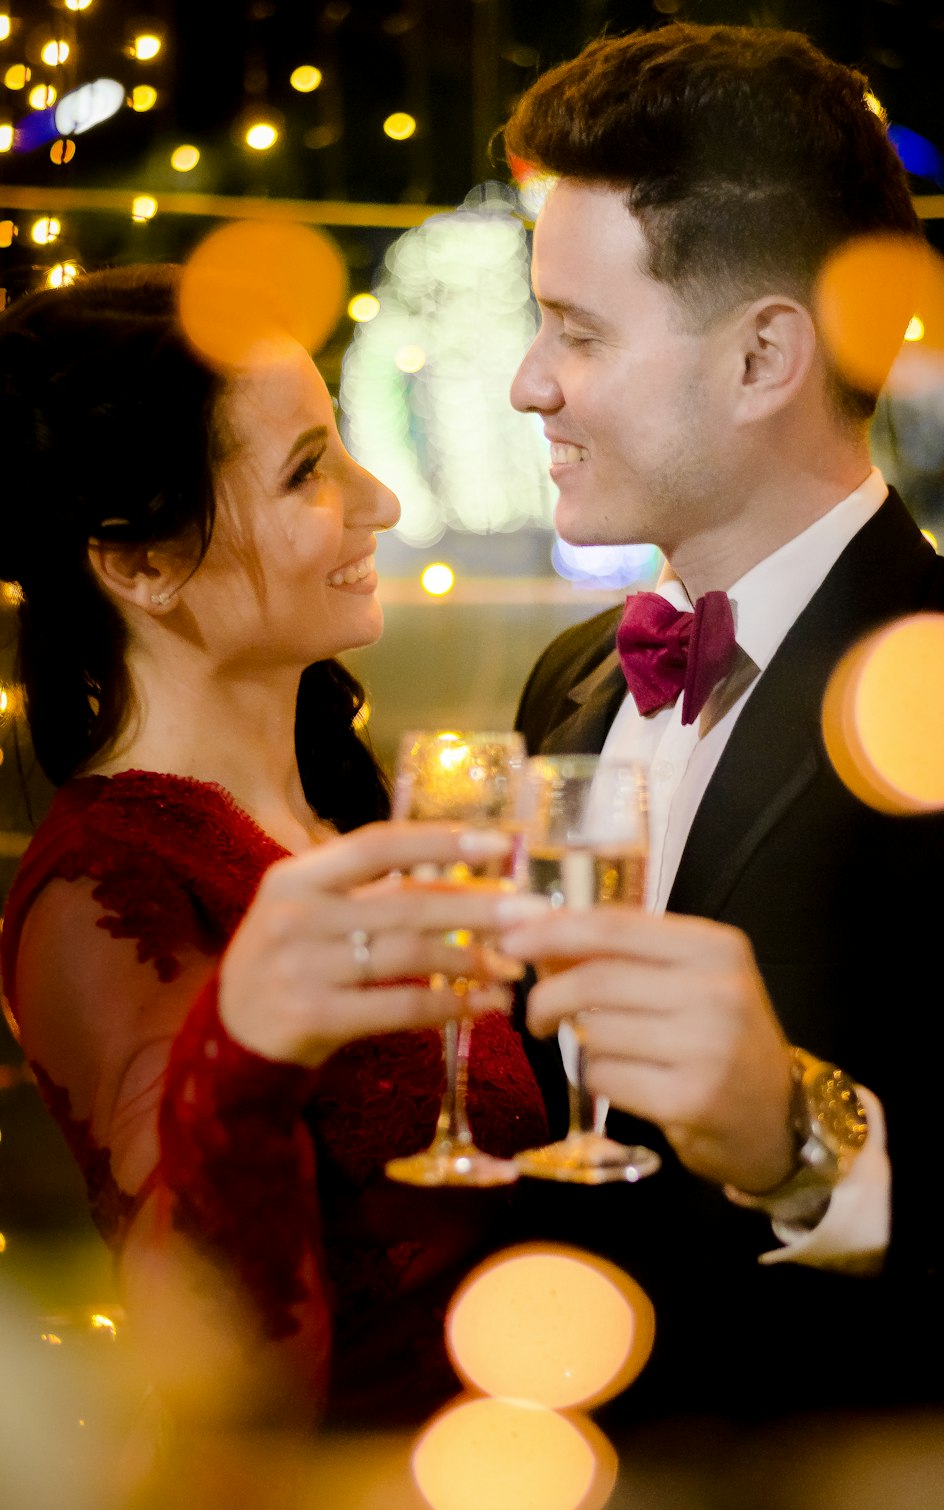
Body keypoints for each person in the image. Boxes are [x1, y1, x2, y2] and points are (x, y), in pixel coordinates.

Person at [495, 22, 944, 1423]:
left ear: (765, 353)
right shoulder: (570, 681)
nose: (528, 383)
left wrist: (801, 1145)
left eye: (577, 331)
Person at [0, 263, 549, 1432]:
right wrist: (245, 1048)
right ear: (138, 562)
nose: (380, 501)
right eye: (307, 469)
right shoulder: (107, 888)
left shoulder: (345, 822)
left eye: (340, 441)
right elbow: (233, 1373)